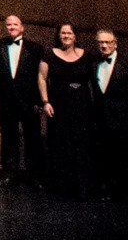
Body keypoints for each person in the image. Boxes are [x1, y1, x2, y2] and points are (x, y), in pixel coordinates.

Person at [39, 21, 96, 198]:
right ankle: (62, 186)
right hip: (59, 106)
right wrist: (45, 101)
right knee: (60, 144)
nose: (66, 36)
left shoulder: (86, 55)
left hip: (81, 105)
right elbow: (42, 78)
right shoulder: (49, 54)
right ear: (58, 35)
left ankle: (83, 186)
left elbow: (92, 80)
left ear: (75, 36)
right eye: (63, 33)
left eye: (69, 33)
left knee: (81, 144)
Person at [0, 13, 45, 183]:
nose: (11, 27)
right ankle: (9, 173)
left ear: (22, 27)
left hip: (29, 101)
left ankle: (35, 174)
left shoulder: (35, 48)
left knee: (33, 137)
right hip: (6, 100)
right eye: (9, 25)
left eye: (15, 24)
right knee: (8, 137)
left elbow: (40, 76)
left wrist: (39, 101)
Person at [92, 29, 128, 203]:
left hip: (123, 121)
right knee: (106, 157)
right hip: (102, 120)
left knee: (127, 157)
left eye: (107, 42)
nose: (104, 46)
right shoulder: (94, 64)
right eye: (101, 43)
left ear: (115, 43)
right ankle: (109, 189)